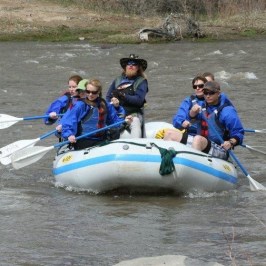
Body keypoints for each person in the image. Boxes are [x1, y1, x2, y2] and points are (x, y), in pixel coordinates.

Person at [164, 81, 244, 160]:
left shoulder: (227, 111)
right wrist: (192, 113)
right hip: (201, 143)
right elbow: (186, 122)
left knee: (198, 139)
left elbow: (239, 133)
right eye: (205, 93)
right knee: (169, 133)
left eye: (211, 93)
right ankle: (166, 162)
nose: (208, 96)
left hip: (219, 148)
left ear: (218, 93)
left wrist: (230, 142)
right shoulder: (202, 106)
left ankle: (193, 166)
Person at [61, 79, 132, 150]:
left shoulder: (105, 105)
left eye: (93, 92)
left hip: (101, 139)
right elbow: (69, 122)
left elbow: (115, 122)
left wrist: (125, 120)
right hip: (83, 140)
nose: (90, 94)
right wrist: (69, 135)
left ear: (98, 92)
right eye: (88, 92)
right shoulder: (80, 105)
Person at [106, 54, 148, 138]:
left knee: (135, 122)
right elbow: (108, 97)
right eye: (129, 63)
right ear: (125, 66)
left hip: (133, 114)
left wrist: (123, 96)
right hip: (117, 113)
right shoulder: (118, 80)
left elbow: (139, 100)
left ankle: (136, 145)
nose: (131, 66)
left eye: (134, 64)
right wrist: (113, 102)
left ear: (138, 67)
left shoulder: (142, 82)